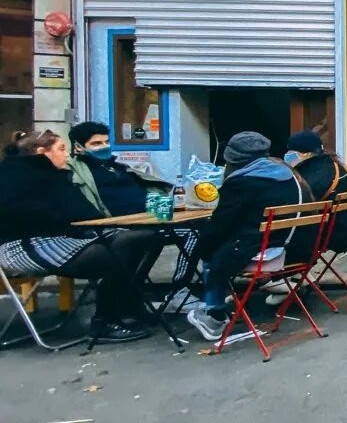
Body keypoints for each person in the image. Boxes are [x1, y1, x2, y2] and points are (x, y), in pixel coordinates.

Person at [0, 130, 154, 342]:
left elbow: (83, 211)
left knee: (144, 237)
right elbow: (20, 211)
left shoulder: (53, 175)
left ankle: (125, 308)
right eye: (61, 149)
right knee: (119, 248)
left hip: (62, 238)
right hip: (24, 246)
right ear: (41, 152)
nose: (67, 155)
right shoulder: (13, 175)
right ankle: (104, 321)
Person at [186, 132, 317, 342]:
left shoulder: (241, 182)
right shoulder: (288, 175)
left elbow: (221, 224)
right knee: (218, 246)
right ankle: (215, 310)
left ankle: (214, 315)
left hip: (265, 253)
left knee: (212, 252)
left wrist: (199, 251)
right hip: (295, 248)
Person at [66, 121, 200, 311]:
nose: (104, 146)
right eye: (96, 143)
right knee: (188, 233)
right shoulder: (75, 171)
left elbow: (150, 188)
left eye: (106, 141)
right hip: (119, 227)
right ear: (79, 147)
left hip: (149, 219)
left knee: (198, 229)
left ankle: (152, 290)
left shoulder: (118, 167)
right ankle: (178, 291)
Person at [285, 130, 347, 255]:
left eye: (291, 152)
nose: (287, 155)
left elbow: (298, 202)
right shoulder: (330, 165)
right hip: (339, 231)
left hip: (326, 236)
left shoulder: (314, 175)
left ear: (305, 154)